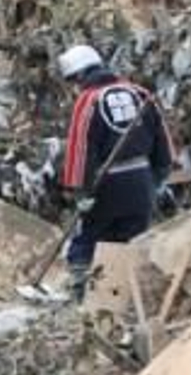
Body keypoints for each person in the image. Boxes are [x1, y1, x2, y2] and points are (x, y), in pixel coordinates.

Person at [57, 44, 173, 299]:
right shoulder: (140, 93)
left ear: (79, 75)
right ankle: (128, 298)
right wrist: (160, 175)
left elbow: (80, 149)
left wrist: (80, 190)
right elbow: (163, 138)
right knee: (133, 241)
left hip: (106, 184)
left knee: (89, 240)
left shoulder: (88, 100)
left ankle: (82, 295)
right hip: (141, 180)